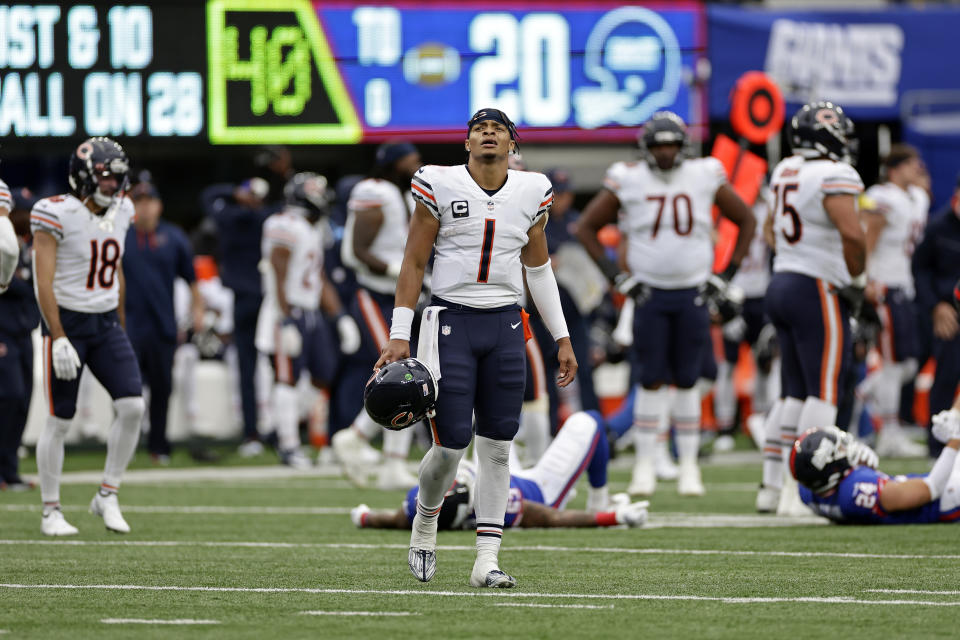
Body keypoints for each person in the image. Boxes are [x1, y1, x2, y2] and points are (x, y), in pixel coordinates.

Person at [376, 108, 577, 588]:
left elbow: (539, 269)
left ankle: (487, 559)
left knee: (498, 448)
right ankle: (425, 523)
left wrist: (562, 337)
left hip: (506, 324)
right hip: (451, 322)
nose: (488, 134)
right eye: (479, 129)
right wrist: (399, 333)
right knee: (449, 448)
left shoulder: (531, 190)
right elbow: (415, 260)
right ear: (467, 143)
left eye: (498, 129)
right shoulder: (439, 184)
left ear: (512, 144)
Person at [576, 111, 756, 497]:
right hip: (650, 293)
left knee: (689, 380)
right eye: (657, 146)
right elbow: (586, 227)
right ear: (646, 149)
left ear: (683, 147)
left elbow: (746, 219)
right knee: (651, 380)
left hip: (692, 291)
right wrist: (617, 278)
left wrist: (726, 277)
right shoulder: (628, 177)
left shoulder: (705, 173)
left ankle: (689, 466)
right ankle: (645, 465)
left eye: (671, 145)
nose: (664, 153)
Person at [31, 137, 146, 536]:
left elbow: (116, 272)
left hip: (105, 324)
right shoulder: (54, 212)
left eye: (118, 178)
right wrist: (57, 334)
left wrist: (121, 322)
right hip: (69, 324)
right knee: (61, 419)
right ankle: (51, 511)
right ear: (83, 176)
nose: (115, 186)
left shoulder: (124, 210)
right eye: (106, 178)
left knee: (132, 406)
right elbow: (42, 281)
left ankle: (107, 494)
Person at [758, 101, 867, 516]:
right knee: (823, 392)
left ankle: (771, 488)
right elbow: (853, 237)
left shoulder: (785, 168)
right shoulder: (835, 174)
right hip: (815, 287)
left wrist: (796, 254)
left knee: (793, 393)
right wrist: (855, 281)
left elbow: (771, 230)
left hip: (783, 280)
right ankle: (799, 491)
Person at [351, 411, 648, 530]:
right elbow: (553, 517)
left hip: (499, 469)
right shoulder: (493, 504)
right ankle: (601, 499)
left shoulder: (420, 502)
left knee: (487, 412)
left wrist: (364, 518)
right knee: (588, 421)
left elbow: (394, 519)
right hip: (541, 490)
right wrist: (612, 517)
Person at [255, 172, 361, 469]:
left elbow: (318, 277)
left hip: (310, 310)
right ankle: (288, 445)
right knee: (286, 377)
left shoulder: (311, 228)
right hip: (286, 311)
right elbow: (277, 268)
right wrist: (285, 318)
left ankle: (278, 427)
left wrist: (339, 316)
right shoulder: (282, 223)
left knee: (323, 372)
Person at [333, 141, 423, 489]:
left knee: (410, 374)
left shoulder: (397, 195)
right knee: (400, 372)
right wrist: (395, 272)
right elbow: (356, 251)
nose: (416, 165)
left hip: (394, 295)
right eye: (410, 160)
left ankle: (364, 443)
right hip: (374, 293)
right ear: (393, 163)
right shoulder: (374, 191)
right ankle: (372, 450)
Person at [122, 178, 204, 464]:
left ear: (158, 205)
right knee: (126, 390)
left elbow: (192, 280)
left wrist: (198, 311)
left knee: (161, 388)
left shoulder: (174, 237)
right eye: (138, 202)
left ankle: (159, 445)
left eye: (149, 202)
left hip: (162, 325)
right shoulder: (121, 235)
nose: (144, 208)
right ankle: (124, 446)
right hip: (128, 324)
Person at [856, 144, 929, 458]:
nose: (920, 170)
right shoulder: (882, 196)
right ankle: (888, 433)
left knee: (908, 364)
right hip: (883, 285)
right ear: (897, 168)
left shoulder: (915, 197)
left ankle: (860, 393)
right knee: (892, 363)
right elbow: (868, 235)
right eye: (913, 165)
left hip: (904, 286)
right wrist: (866, 279)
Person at [202, 177, 274, 455]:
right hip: (263, 297)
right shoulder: (265, 217)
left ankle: (253, 433)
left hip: (245, 298)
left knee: (250, 368)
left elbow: (208, 196)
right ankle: (270, 429)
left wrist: (233, 192)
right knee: (270, 367)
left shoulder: (231, 214)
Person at [792, 411, 960, 524]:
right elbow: (932, 488)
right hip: (947, 498)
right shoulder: (857, 489)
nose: (846, 448)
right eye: (840, 449)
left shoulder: (808, 492)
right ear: (832, 470)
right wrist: (954, 439)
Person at [912, 173, 960, 458]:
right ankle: (937, 445)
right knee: (947, 374)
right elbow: (920, 270)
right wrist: (935, 307)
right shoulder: (939, 227)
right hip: (949, 313)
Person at [0, 187, 40, 490]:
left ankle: (10, 470)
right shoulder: (5, 246)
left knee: (24, 399)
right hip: (3, 333)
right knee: (9, 396)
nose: (29, 217)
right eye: (23, 211)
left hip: (25, 332)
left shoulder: (28, 246)